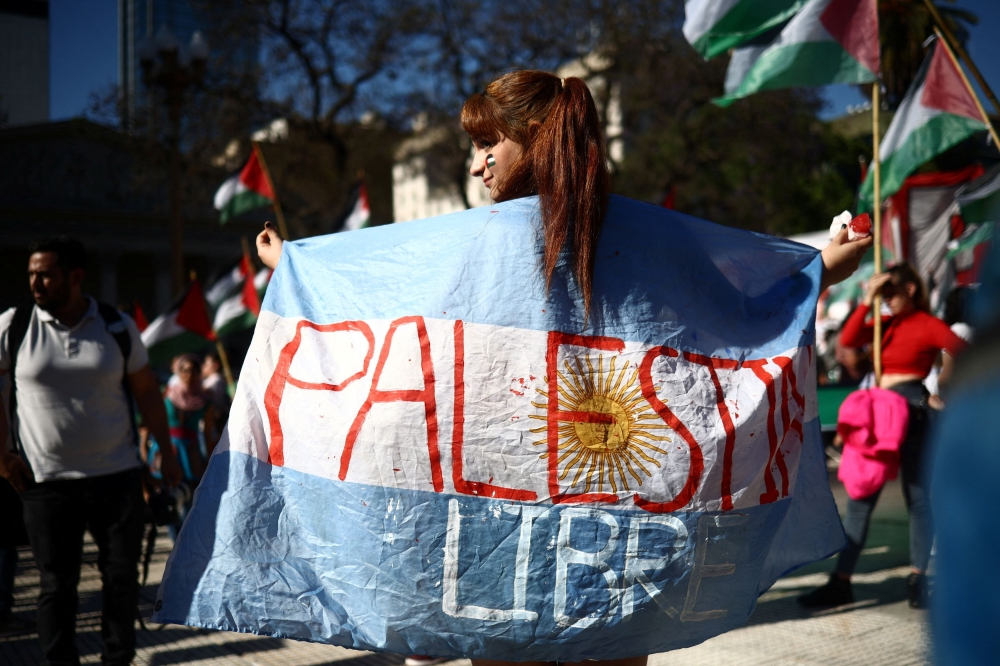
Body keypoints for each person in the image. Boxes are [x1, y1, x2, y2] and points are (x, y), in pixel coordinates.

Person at [255, 70, 872, 666]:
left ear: (536, 135)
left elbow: (386, 299)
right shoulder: (644, 235)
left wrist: (301, 272)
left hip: (495, 530)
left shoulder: (481, 240)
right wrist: (819, 269)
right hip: (623, 525)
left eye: (486, 144)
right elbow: (734, 313)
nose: (476, 166)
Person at [0, 237, 181, 666]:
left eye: (45, 273)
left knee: (120, 582)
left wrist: (166, 454)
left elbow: (148, 394)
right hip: (45, 482)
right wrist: (2, 454)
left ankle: (117, 661)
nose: (35, 283)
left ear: (76, 277)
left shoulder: (116, 326)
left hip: (117, 478)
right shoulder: (14, 325)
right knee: (57, 586)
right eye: (31, 274)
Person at [799, 263, 966, 609]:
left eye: (891, 292)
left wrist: (945, 391)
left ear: (910, 290)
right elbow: (847, 341)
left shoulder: (928, 324)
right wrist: (868, 299)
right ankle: (842, 581)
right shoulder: (883, 324)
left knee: (918, 498)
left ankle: (919, 579)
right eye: (883, 293)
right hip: (878, 414)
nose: (886, 299)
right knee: (861, 496)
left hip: (914, 412)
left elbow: (963, 351)